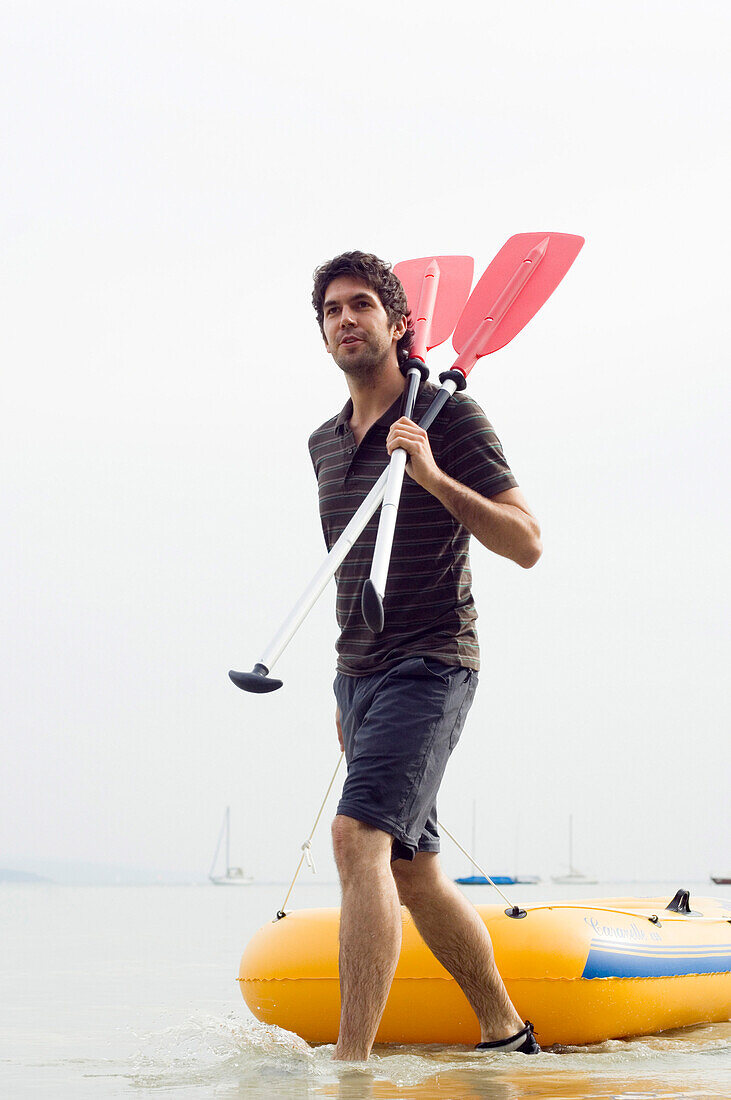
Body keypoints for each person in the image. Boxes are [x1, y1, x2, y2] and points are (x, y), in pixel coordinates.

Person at [308, 251, 542, 1062]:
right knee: (412, 870)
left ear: (399, 323)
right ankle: (506, 1032)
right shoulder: (325, 444)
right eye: (332, 309)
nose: (346, 319)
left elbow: (526, 544)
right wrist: (342, 689)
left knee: (355, 838)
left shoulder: (446, 418)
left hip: (434, 661)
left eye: (362, 304)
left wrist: (434, 476)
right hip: (361, 675)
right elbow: (349, 565)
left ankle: (350, 1070)